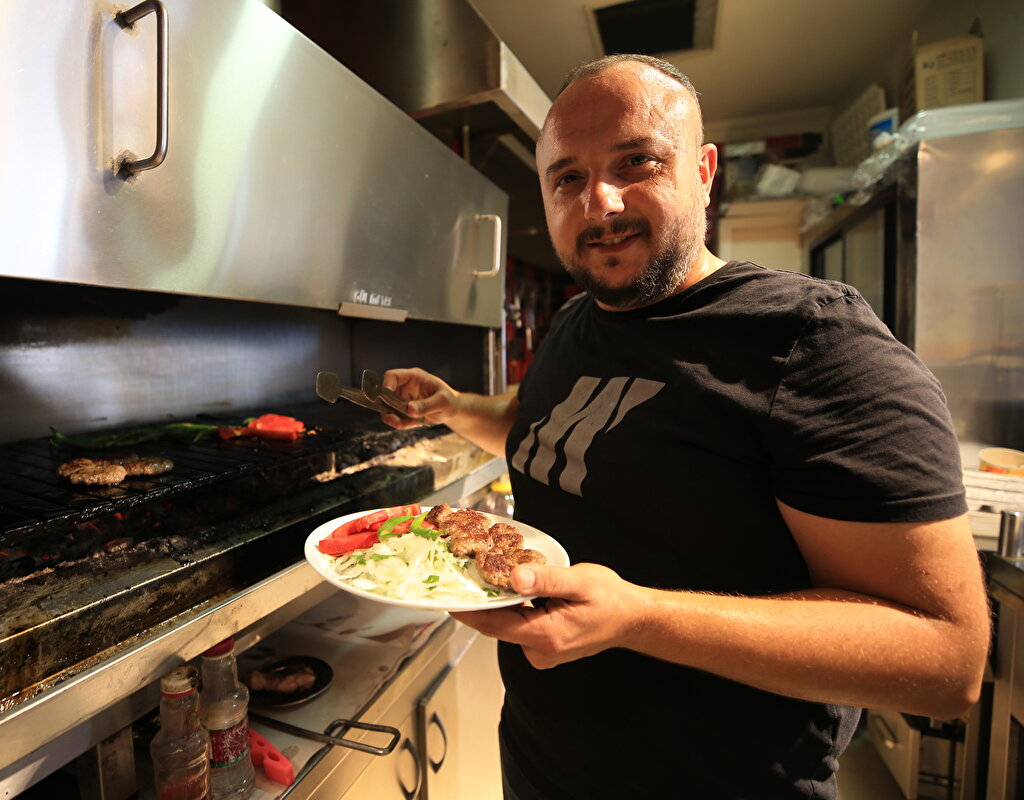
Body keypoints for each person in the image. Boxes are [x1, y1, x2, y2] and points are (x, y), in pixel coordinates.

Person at [380, 54, 989, 799]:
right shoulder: (580, 321)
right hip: (541, 766)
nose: (599, 202)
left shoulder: (812, 341)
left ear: (704, 171)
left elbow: (946, 658)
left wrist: (640, 617)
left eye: (636, 161)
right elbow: (543, 433)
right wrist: (451, 407)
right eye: (567, 177)